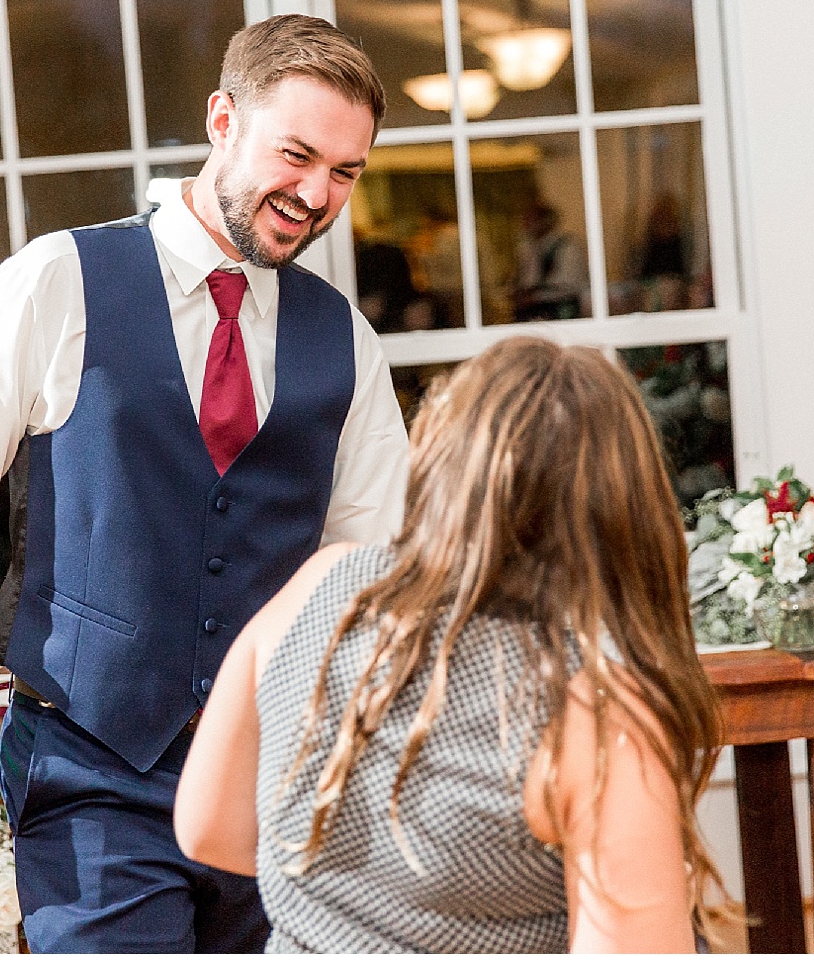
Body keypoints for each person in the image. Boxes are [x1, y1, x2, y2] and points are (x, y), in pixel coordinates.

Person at [0, 14, 412, 953]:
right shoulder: (56, 283)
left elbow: (372, 574)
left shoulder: (347, 342)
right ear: (221, 120)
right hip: (88, 772)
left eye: (345, 172)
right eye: (296, 155)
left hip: (275, 784)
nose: (316, 194)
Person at [175, 337, 724, 953]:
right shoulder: (597, 715)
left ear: (441, 460)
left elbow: (207, 827)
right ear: (626, 508)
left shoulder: (321, 584)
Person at [513, 201, 589, 320]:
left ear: (546, 221)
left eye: (530, 220)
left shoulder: (567, 246)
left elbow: (570, 284)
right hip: (533, 310)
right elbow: (527, 280)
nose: (525, 224)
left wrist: (535, 296)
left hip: (560, 310)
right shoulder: (530, 248)